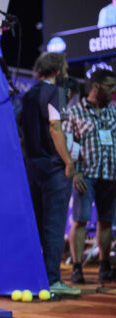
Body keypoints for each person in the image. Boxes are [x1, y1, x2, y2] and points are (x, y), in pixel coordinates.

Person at [20, 53, 81, 296]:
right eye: (65, 67)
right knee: (54, 225)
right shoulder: (57, 93)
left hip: (32, 167)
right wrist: (68, 161)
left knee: (36, 222)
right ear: (57, 70)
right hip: (54, 167)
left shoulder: (28, 95)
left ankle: (34, 277)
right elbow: (55, 128)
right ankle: (53, 279)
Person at [64, 68, 116, 284]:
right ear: (96, 86)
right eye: (110, 87)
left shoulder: (113, 111)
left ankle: (105, 266)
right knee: (81, 219)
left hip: (111, 174)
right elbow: (68, 143)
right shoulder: (75, 112)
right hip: (86, 174)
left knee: (106, 222)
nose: (113, 91)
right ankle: (77, 268)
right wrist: (74, 170)